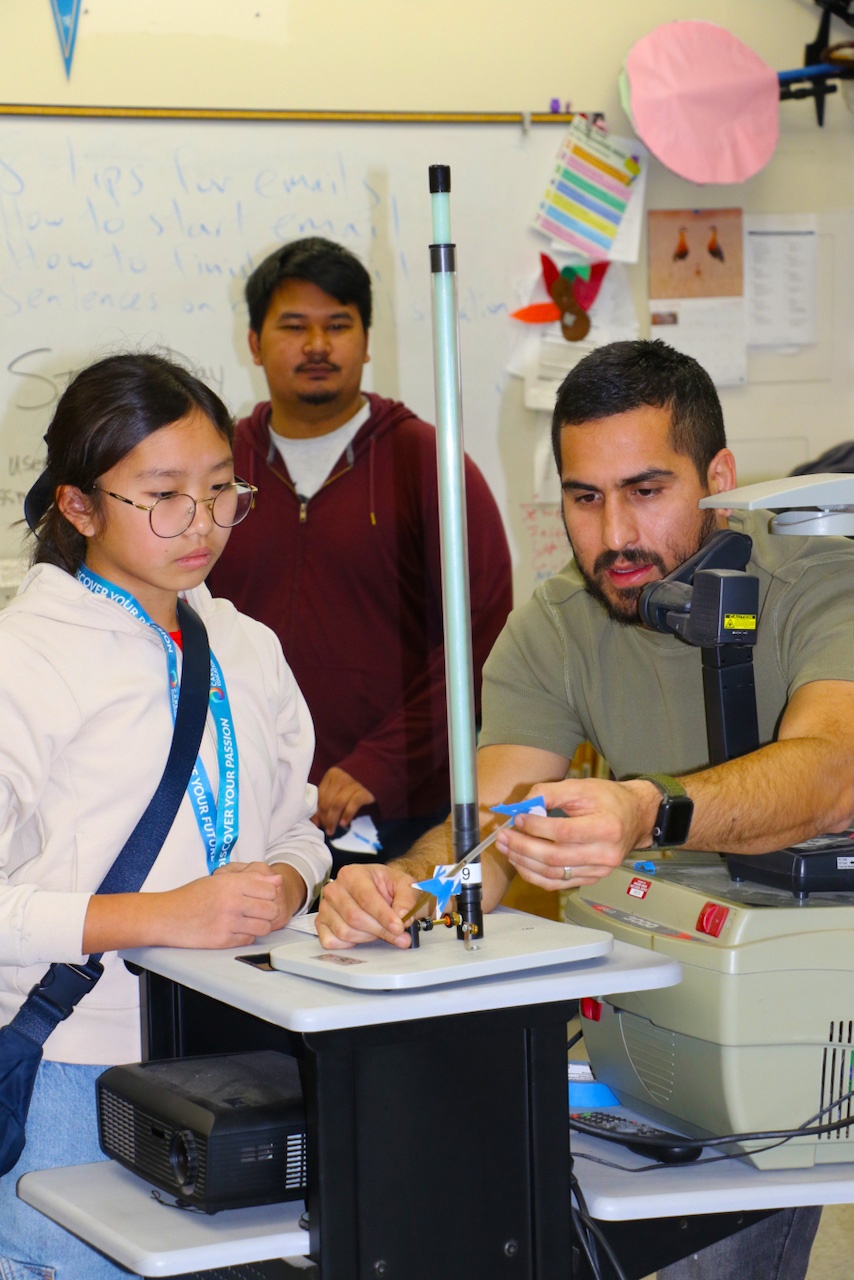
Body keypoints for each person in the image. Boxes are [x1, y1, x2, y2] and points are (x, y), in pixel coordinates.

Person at [318, 339, 854, 1280]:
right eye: (584, 497)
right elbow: (492, 823)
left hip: (812, 995)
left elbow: (831, 774)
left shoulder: (820, 579)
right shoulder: (560, 621)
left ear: (720, 477)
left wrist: (647, 812)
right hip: (667, 989)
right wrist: (405, 889)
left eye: (647, 490)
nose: (613, 536)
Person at [0, 352, 331, 1278]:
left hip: (244, 1046)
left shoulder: (247, 645)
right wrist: (164, 916)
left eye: (223, 490)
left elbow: (296, 823)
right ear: (78, 505)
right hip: (76, 1065)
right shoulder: (24, 661)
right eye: (164, 495)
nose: (203, 524)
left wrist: (293, 879)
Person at [206, 236, 512, 870]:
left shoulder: (426, 461)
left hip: (400, 818)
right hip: (238, 804)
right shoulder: (214, 469)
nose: (317, 345)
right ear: (255, 343)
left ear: (367, 342)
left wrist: (382, 762)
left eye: (338, 325)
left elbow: (482, 633)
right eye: (294, 326)